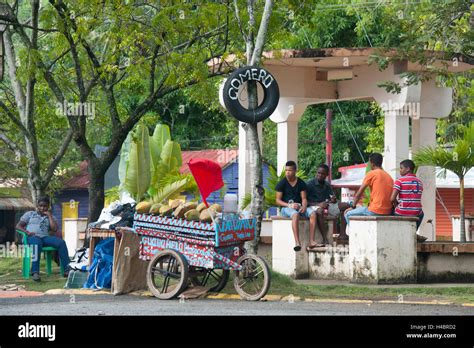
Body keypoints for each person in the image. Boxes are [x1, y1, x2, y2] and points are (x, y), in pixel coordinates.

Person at [16, 196, 70, 282]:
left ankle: (68, 270)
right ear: (37, 206)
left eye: (45, 206)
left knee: (61, 242)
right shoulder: (30, 214)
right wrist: (27, 232)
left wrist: (49, 216)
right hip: (31, 237)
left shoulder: (51, 217)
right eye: (40, 206)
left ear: (48, 206)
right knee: (37, 244)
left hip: (44, 238)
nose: (42, 208)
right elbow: (18, 226)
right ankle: (35, 272)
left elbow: (55, 229)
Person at [344, 153, 394, 230]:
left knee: (348, 214)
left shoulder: (371, 173)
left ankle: (356, 236)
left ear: (371, 163)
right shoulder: (389, 176)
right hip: (388, 211)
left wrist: (353, 206)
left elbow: (359, 193)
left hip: (375, 210)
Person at [306, 164, 351, 246]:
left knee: (346, 206)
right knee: (319, 211)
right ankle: (325, 239)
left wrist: (333, 200)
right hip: (313, 206)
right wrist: (318, 204)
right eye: (318, 173)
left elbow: (331, 198)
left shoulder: (327, 185)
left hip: (327, 206)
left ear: (326, 175)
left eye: (322, 174)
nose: (319, 175)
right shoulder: (310, 184)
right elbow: (304, 202)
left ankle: (342, 235)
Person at [275, 161, 311, 252]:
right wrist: (289, 205)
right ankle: (297, 242)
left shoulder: (301, 183)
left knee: (313, 213)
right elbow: (277, 200)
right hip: (286, 208)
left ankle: (312, 240)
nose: (287, 172)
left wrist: (304, 206)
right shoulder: (282, 183)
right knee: (295, 215)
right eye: (286, 170)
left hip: (298, 206)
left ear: (295, 171)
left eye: (290, 170)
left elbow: (304, 198)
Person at [390, 159, 427, 242]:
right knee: (422, 213)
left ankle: (396, 235)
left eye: (401, 168)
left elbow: (392, 199)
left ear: (408, 169)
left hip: (402, 212)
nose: (400, 170)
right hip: (416, 213)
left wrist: (396, 205)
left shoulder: (400, 181)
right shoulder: (419, 182)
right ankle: (413, 233)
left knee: (389, 211)